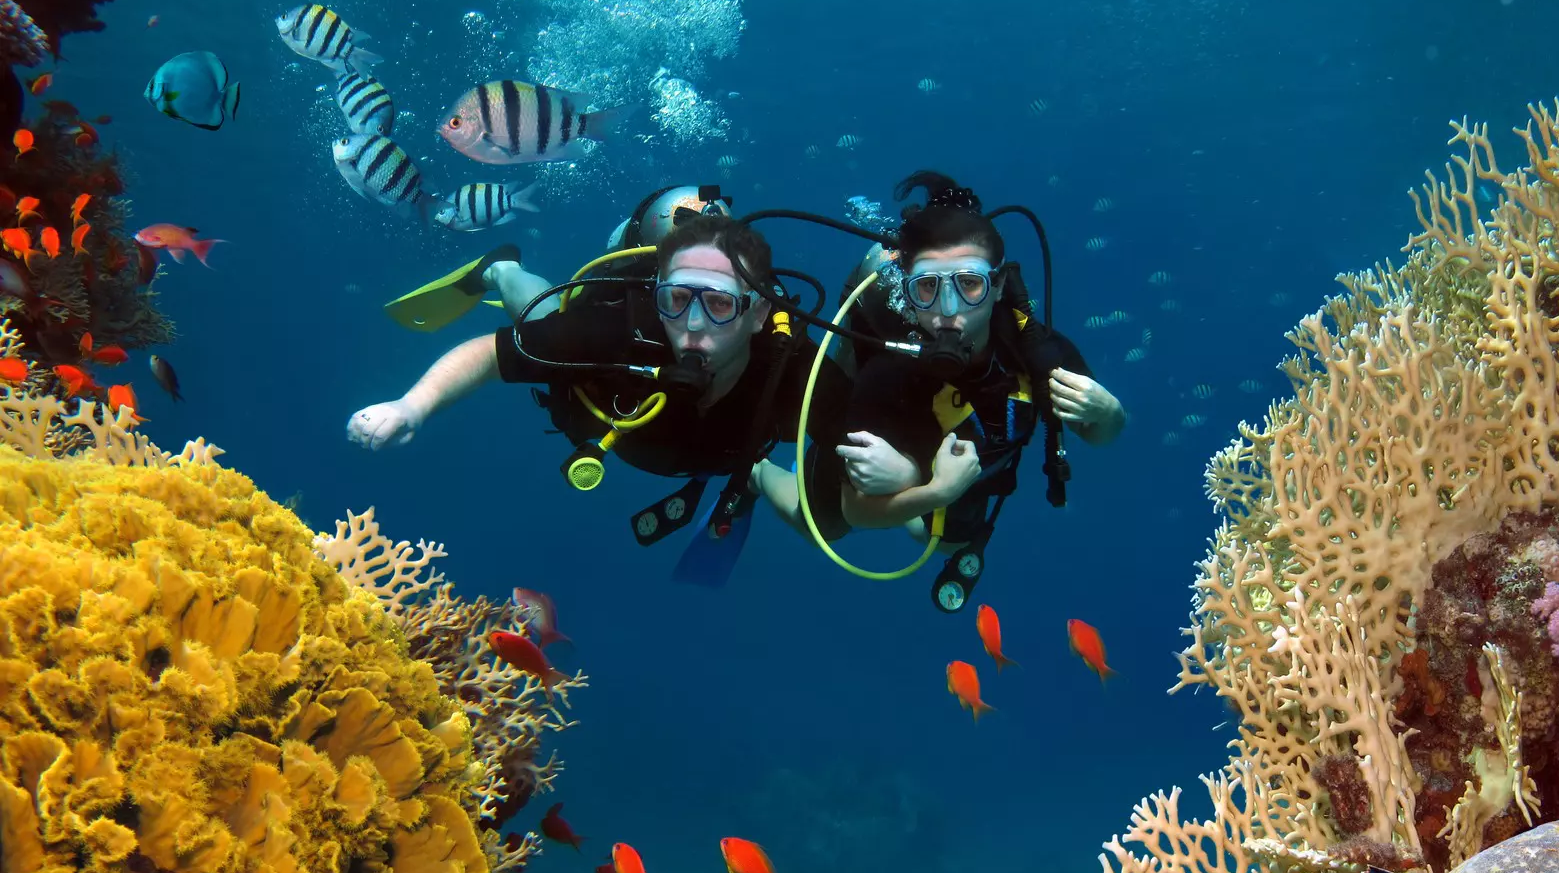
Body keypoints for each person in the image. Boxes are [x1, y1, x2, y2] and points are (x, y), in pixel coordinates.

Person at [349, 198, 853, 580]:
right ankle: (502, 269)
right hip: (592, 399)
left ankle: (757, 475)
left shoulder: (794, 372)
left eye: (719, 305)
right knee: (545, 315)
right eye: (677, 299)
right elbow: (490, 355)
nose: (693, 325)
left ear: (759, 312)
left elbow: (865, 438)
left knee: (823, 521)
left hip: (724, 453)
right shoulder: (615, 333)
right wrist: (411, 405)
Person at [779, 170, 1123, 610]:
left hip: (968, 483)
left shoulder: (1036, 351)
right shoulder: (886, 372)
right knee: (822, 525)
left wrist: (1110, 412)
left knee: (945, 542)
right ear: (907, 290)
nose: (948, 310)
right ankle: (757, 475)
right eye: (927, 287)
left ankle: (916, 490)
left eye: (970, 283)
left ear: (998, 285)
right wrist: (934, 491)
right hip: (920, 476)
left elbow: (1099, 432)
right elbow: (856, 511)